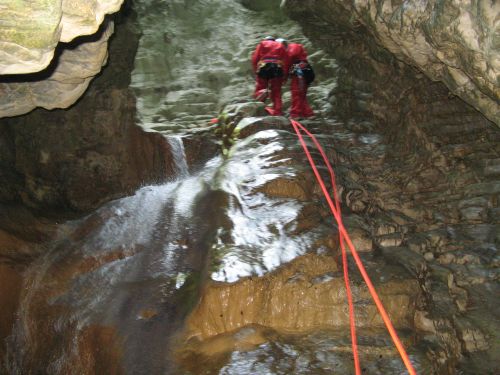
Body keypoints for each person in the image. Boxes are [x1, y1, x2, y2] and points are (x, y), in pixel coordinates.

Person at [277, 38, 315, 119]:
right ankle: (308, 113)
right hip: (307, 71)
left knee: (296, 93)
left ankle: (295, 114)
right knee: (302, 94)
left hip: (299, 73)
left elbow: (286, 65)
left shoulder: (287, 51)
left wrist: (284, 78)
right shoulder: (296, 46)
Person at [251, 36, 289, 116]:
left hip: (264, 66)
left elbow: (255, 59)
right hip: (277, 67)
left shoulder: (262, 43)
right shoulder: (280, 45)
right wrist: (284, 76)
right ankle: (277, 112)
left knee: (261, 86)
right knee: (276, 91)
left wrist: (256, 71)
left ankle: (259, 102)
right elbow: (285, 61)